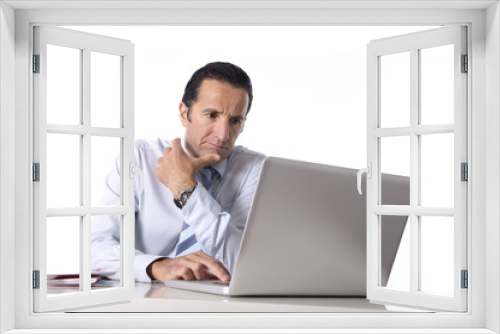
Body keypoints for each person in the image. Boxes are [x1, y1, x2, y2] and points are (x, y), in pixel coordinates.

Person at [91, 62, 265, 283]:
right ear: (184, 114)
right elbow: (96, 249)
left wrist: (186, 188)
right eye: (212, 115)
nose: (223, 135)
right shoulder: (139, 159)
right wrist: (157, 266)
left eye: (235, 121)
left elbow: (241, 262)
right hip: (146, 301)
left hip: (220, 305)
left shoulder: (254, 171)